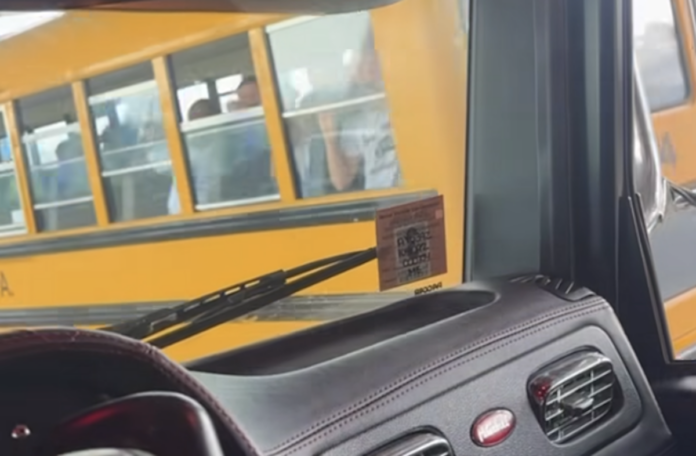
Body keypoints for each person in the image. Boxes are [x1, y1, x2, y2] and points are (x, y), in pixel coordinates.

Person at [317, 44, 401, 192]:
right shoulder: (355, 122)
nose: (366, 70)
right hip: (382, 197)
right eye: (359, 66)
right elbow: (341, 182)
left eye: (371, 62)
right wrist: (330, 139)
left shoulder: (406, 101)